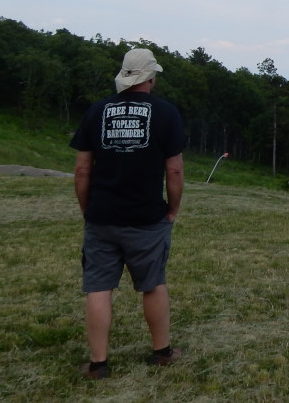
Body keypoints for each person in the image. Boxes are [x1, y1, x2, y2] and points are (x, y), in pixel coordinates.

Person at [70, 47, 186, 380]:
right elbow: (174, 172)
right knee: (152, 285)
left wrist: (87, 210)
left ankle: (98, 364)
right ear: (151, 77)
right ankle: (162, 353)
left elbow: (81, 171)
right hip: (148, 217)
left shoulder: (97, 111)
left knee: (98, 288)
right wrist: (172, 210)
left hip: (102, 217)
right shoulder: (166, 113)